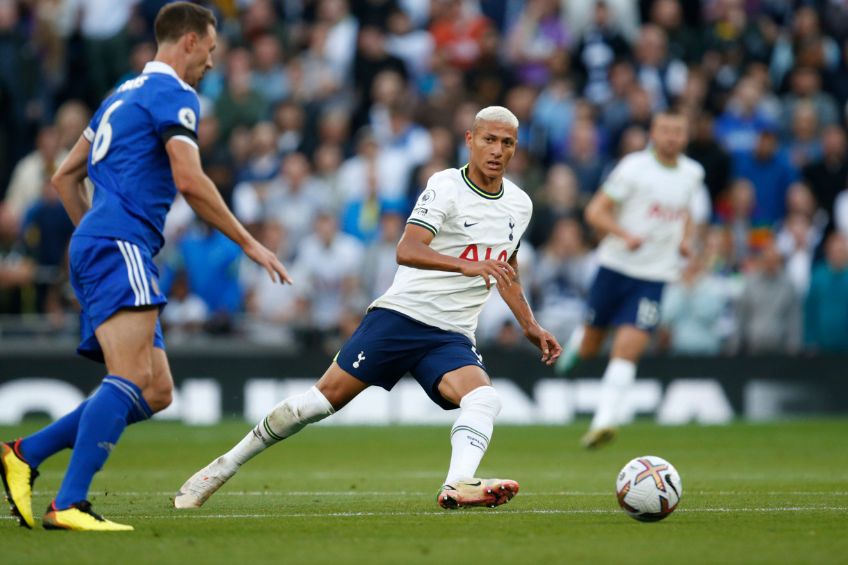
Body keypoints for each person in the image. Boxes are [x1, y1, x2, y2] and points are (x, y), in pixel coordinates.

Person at [173, 106, 562, 511]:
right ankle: (220, 469)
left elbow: (507, 269)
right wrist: (466, 264)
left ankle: (458, 484)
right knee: (316, 404)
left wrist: (529, 324)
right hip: (401, 318)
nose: (497, 150)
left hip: (451, 334)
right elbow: (406, 249)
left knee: (484, 400)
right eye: (489, 140)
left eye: (507, 143)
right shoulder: (445, 186)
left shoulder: (520, 205)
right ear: (469, 140)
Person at [0, 3, 290, 532]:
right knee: (130, 376)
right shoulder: (174, 94)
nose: (211, 61)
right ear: (190, 41)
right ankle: (69, 503)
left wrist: (93, 232)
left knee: (155, 389)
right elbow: (190, 180)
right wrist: (249, 242)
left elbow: (65, 177)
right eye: (211, 48)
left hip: (103, 241)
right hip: (121, 243)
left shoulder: (120, 95)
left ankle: (25, 453)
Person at [554, 111, 703, 448]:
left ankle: (604, 421)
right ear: (654, 132)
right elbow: (595, 212)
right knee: (593, 345)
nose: (672, 137)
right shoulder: (633, 168)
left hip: (653, 276)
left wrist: (685, 241)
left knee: (627, 348)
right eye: (666, 130)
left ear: (686, 135)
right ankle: (579, 342)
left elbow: (686, 213)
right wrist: (625, 234)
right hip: (615, 267)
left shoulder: (693, 174)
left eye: (678, 131)